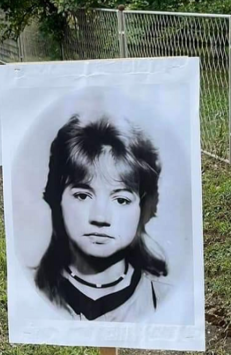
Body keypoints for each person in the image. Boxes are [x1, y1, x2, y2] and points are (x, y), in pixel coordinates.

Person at [29, 114, 182, 322]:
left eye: (121, 200)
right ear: (57, 198)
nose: (100, 217)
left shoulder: (167, 302)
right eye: (83, 196)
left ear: (143, 208)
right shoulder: (28, 292)